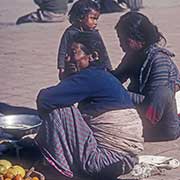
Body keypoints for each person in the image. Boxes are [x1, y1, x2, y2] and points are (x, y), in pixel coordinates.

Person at [35, 31, 144, 180]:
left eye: (73, 53)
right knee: (67, 107)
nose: (67, 59)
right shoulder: (102, 76)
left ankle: (60, 169)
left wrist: (67, 79)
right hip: (123, 162)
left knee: (60, 110)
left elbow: (45, 98)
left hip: (102, 163)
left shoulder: (90, 77)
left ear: (93, 56)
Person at [112, 11, 180, 141]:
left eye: (125, 40)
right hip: (143, 114)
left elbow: (151, 102)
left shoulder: (159, 60)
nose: (121, 44)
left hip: (164, 124)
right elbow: (116, 78)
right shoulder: (132, 56)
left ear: (140, 39)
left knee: (162, 92)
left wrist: (117, 92)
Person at [57, 0, 112, 80]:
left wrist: (108, 69)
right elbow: (63, 50)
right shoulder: (70, 33)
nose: (95, 22)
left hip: (94, 67)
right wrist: (61, 68)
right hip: (75, 67)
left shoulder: (95, 34)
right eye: (92, 18)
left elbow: (103, 52)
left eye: (96, 19)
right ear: (81, 17)